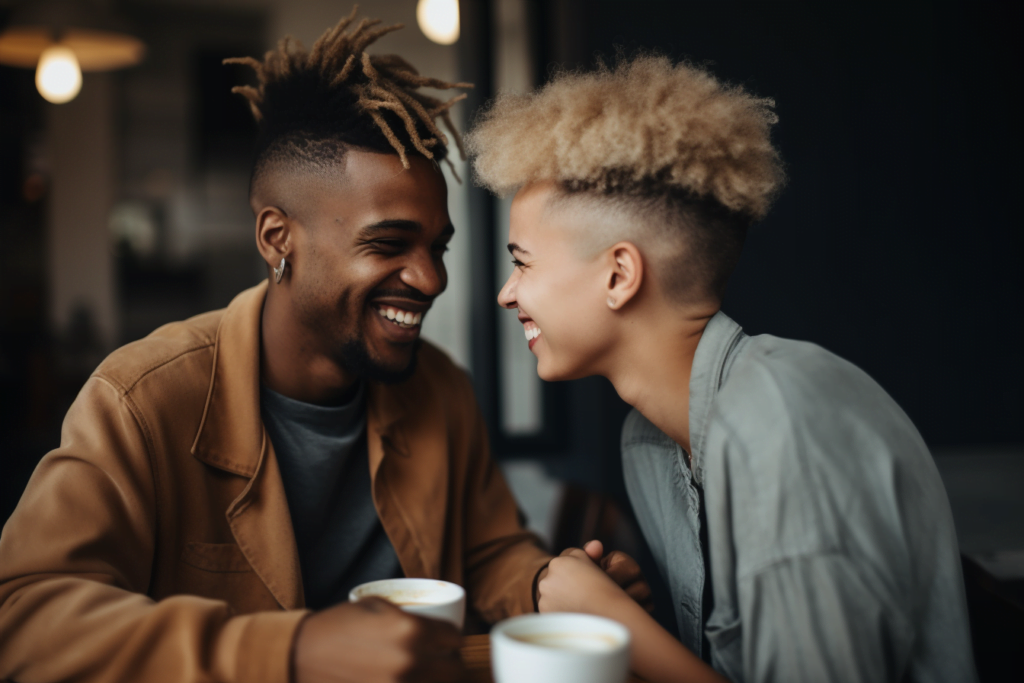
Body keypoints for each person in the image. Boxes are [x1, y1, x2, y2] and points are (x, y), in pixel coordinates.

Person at [0, 11, 650, 683]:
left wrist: (552, 587)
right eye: (388, 244)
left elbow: (488, 550)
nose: (431, 278)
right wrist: (296, 648)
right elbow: (23, 617)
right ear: (278, 239)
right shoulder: (140, 400)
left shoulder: (440, 388)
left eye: (437, 247)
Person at [467, 55, 977, 683]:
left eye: (524, 263)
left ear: (619, 276)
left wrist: (619, 627)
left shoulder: (783, 427)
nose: (507, 293)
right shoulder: (648, 443)